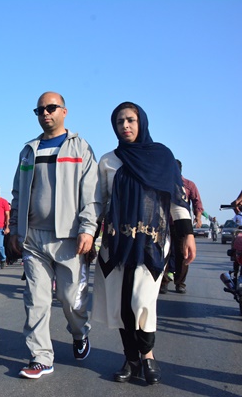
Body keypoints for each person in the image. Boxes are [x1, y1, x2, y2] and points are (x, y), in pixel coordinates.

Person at [93, 102, 196, 386]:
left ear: (142, 122)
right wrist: (89, 234)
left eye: (130, 120)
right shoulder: (109, 161)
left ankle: (148, 355)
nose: (125, 126)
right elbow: (100, 202)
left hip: (151, 243)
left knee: (142, 301)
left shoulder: (162, 157)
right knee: (121, 305)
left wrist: (187, 234)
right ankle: (131, 359)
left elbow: (177, 199)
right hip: (116, 244)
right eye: (119, 122)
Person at [9, 91, 100, 379]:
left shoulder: (80, 148)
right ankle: (41, 357)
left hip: (69, 239)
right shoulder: (29, 150)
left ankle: (79, 332)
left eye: (51, 108)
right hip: (33, 238)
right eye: (40, 110)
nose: (45, 113)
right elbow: (18, 193)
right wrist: (15, 227)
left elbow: (92, 194)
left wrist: (88, 229)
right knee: (36, 299)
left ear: (64, 111)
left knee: (70, 298)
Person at [160, 159, 204, 294]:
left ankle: (180, 283)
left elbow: (197, 202)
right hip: (164, 224)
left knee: (182, 254)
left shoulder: (189, 185)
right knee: (164, 253)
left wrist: (198, 217)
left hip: (181, 225)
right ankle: (164, 282)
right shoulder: (162, 183)